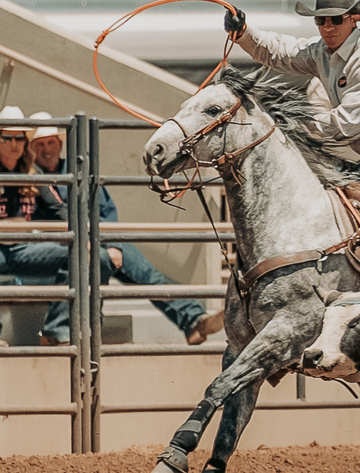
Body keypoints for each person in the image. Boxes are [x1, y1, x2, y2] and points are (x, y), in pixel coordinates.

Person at [224, 0, 360, 316]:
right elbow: (281, 51)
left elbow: (347, 124)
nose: (327, 27)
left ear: (354, 18)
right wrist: (244, 33)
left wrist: (290, 122)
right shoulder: (325, 52)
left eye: (335, 19)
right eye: (320, 20)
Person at [28, 113, 224, 345]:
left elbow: (104, 208)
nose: (46, 150)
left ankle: (193, 320)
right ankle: (75, 331)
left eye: (50, 142)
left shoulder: (78, 171)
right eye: (40, 144)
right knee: (99, 262)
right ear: (32, 149)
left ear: (60, 145)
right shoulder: (32, 178)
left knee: (147, 273)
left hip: (98, 238)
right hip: (63, 244)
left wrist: (113, 244)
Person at [0, 107, 113, 347]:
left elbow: (60, 210)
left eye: (20, 138)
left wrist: (83, 237)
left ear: (26, 143)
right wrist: (10, 226)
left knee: (91, 256)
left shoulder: (35, 174)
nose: (14, 144)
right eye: (7, 137)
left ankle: (56, 332)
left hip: (28, 248)